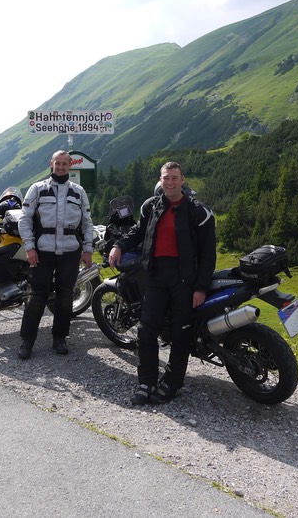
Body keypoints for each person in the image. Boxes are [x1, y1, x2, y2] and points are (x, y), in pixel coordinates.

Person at [108, 161, 216, 405]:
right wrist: (118, 246)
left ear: (183, 180)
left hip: (184, 280)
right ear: (161, 180)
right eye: (166, 178)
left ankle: (172, 383)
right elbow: (137, 232)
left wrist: (200, 287)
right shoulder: (151, 207)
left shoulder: (198, 212)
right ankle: (146, 381)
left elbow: (209, 254)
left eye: (174, 178)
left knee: (180, 335)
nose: (170, 182)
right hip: (155, 276)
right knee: (146, 331)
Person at [17, 150, 95, 359]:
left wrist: (87, 249)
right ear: (51, 164)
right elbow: (25, 220)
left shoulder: (79, 192)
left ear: (70, 166)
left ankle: (60, 338)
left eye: (64, 164)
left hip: (70, 251)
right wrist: (30, 247)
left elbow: (87, 223)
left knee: (65, 296)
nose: (61, 167)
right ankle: (27, 341)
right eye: (57, 163)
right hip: (42, 250)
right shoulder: (37, 189)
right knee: (36, 296)